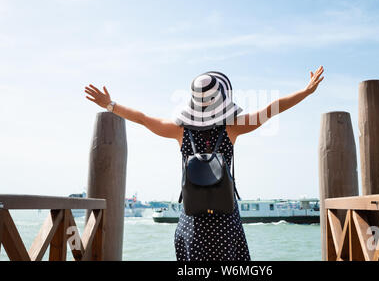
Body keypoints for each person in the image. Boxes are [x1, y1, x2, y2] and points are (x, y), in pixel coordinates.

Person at [84, 66, 324, 261]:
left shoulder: (179, 131)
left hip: (192, 220)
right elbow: (271, 109)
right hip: (225, 218)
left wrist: (110, 104)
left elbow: (143, 119)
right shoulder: (233, 128)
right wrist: (305, 91)